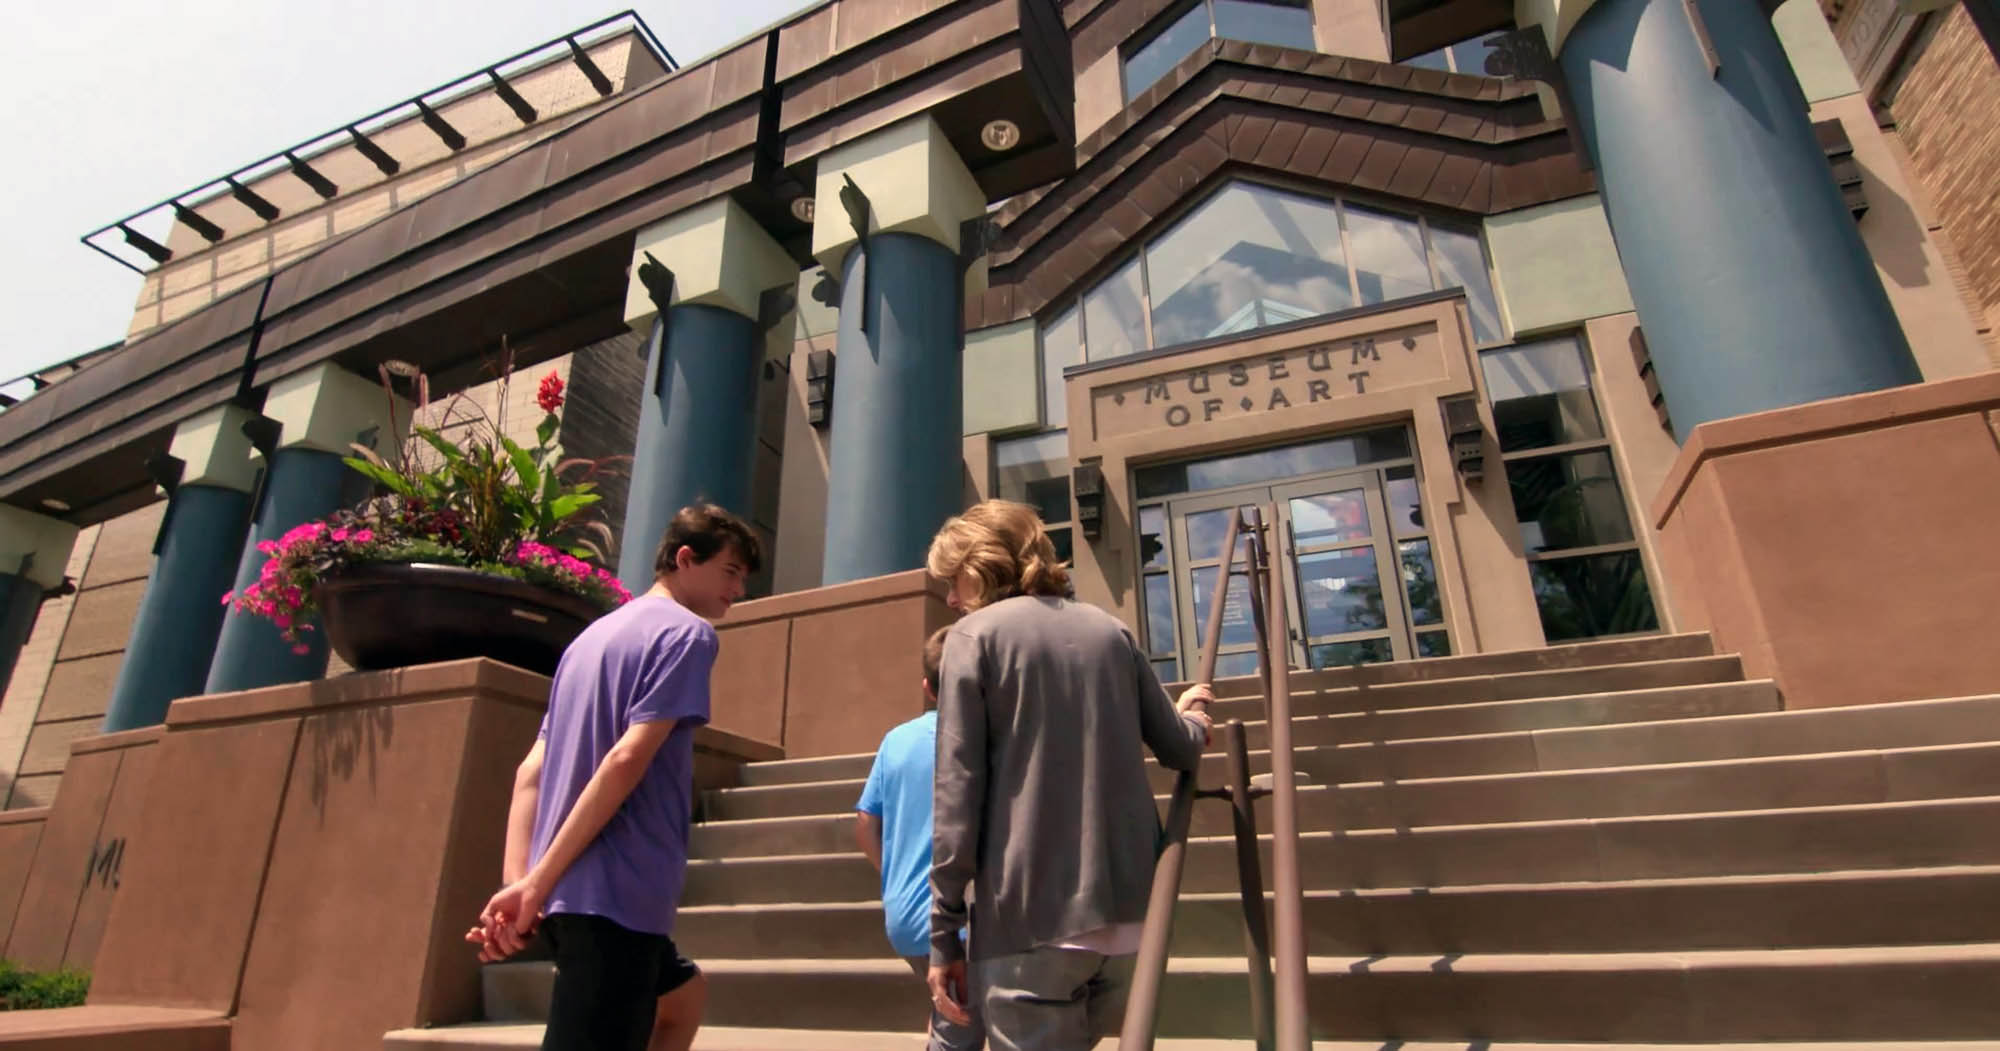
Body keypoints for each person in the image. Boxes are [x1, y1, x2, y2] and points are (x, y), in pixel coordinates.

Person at [466, 504, 761, 1051]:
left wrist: (524, 884)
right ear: (685, 559)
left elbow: (529, 771)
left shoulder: (587, 641)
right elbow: (627, 758)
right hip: (619, 893)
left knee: (683, 993)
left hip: (570, 898)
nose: (738, 590)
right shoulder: (688, 635)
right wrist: (532, 885)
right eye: (730, 572)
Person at [924, 499, 1214, 1050]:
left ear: (983, 563)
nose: (950, 597)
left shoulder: (974, 637)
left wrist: (945, 937)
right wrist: (1194, 719)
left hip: (1027, 921)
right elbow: (1179, 747)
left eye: (954, 578)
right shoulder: (1111, 631)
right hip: (1130, 919)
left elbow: (957, 794)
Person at [854, 626, 985, 1051]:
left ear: (927, 688)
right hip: (962, 923)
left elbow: (865, 823)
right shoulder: (988, 737)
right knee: (962, 1029)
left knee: (948, 1014)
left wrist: (894, 877)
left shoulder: (896, 740)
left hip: (907, 917)